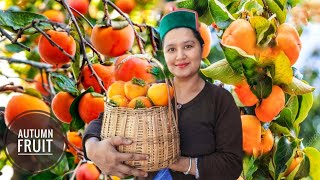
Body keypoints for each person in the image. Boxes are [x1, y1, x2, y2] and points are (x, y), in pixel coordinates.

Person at [83, 9, 243, 180]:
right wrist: (92, 148)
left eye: (188, 46)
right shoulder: (156, 92)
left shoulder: (219, 100)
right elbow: (102, 120)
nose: (180, 56)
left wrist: (181, 164)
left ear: (201, 48)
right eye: (171, 49)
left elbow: (232, 164)